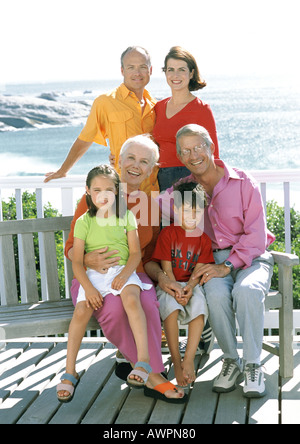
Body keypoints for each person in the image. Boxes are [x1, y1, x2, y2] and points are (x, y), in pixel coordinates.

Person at [61, 135, 187, 404]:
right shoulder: (94, 196)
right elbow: (70, 248)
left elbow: (148, 257)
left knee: (149, 304)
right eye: (130, 158)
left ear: (152, 169)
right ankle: (155, 378)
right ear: (118, 160)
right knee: (115, 310)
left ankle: (146, 369)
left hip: (133, 274)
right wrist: (87, 260)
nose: (135, 165)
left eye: (144, 161)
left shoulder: (147, 204)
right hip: (91, 278)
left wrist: (163, 279)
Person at [155, 124, 275, 398]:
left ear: (211, 148)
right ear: (180, 156)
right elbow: (145, 208)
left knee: (246, 291)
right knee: (215, 294)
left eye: (198, 147)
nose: (193, 154)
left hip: (250, 258)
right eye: (185, 151)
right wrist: (105, 204)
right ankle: (231, 360)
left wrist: (228, 265)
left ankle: (253, 365)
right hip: (210, 262)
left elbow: (256, 236)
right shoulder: (183, 191)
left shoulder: (243, 182)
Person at [57, 164, 154, 402]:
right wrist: (89, 289)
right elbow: (77, 262)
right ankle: (70, 372)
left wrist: (125, 275)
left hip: (123, 269)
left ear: (117, 191)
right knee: (81, 311)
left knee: (131, 299)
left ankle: (143, 361)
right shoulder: (83, 222)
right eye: (97, 189)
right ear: (88, 191)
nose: (103, 194)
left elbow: (135, 254)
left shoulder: (127, 217)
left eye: (109, 189)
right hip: (93, 275)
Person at [44, 46, 158, 195]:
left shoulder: (156, 106)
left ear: (150, 70)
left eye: (142, 67)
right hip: (122, 191)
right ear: (122, 71)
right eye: (131, 67)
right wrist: (63, 170)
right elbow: (85, 138)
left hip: (154, 190)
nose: (137, 73)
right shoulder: (105, 102)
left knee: (154, 219)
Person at [151, 181, 214, 386]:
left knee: (199, 307)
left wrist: (189, 288)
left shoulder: (203, 239)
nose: (191, 216)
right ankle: (176, 361)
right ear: (177, 209)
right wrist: (175, 288)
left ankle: (189, 359)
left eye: (197, 212)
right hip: (170, 284)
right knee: (170, 308)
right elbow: (166, 269)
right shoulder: (168, 233)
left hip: (190, 285)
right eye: (187, 210)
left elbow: (198, 272)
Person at [152, 46, 219, 191]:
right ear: (165, 73)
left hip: (189, 181)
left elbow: (214, 155)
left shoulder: (201, 109)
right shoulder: (158, 107)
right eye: (170, 70)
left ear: (191, 73)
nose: (175, 75)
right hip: (158, 181)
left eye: (181, 69)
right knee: (163, 215)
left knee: (185, 215)